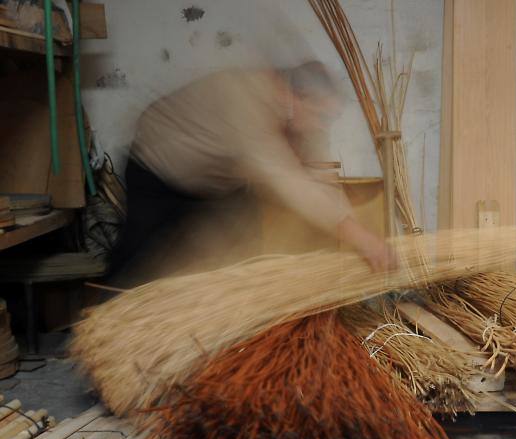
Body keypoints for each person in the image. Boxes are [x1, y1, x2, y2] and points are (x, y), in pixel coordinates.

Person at [113, 61, 394, 279]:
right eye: (321, 115)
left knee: (242, 257)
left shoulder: (302, 116)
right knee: (141, 266)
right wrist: (359, 237)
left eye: (329, 118)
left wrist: (358, 230)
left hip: (220, 182)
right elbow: (286, 179)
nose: (323, 125)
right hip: (159, 168)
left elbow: (319, 177)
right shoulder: (242, 97)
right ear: (296, 97)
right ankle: (96, 331)